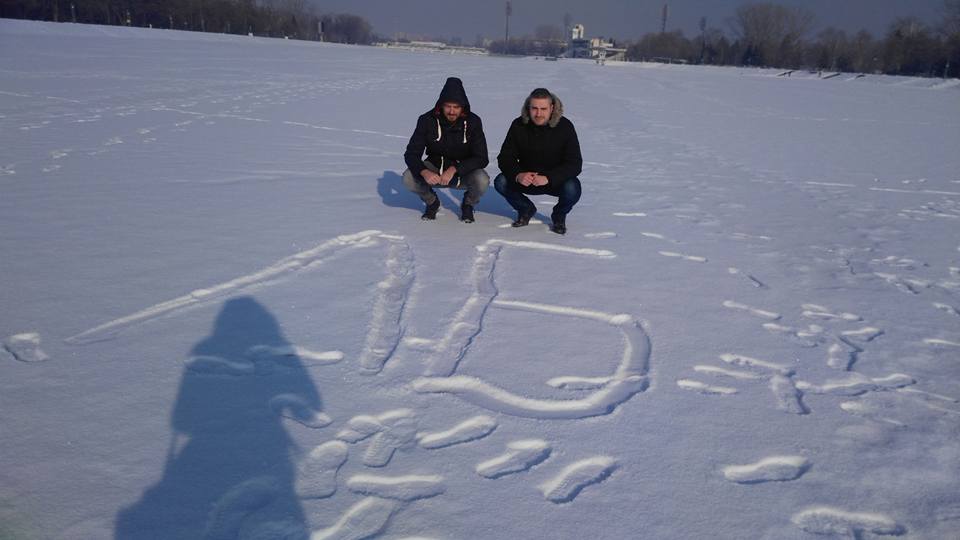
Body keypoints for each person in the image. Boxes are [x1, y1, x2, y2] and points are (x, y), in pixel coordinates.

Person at [495, 87, 582, 234]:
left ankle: (559, 215)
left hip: (553, 181)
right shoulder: (518, 125)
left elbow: (574, 163)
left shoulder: (565, 127)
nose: (538, 113)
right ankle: (525, 209)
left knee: (573, 188)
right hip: (526, 179)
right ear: (528, 107)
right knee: (501, 182)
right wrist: (518, 174)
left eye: (543, 108)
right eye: (534, 108)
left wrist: (549, 178)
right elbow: (505, 157)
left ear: (552, 108)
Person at [403, 77, 489, 223]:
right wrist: (424, 171)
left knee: (482, 179)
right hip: (435, 169)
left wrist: (455, 169)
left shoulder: (473, 122)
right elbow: (411, 154)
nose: (451, 111)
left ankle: (468, 204)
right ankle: (432, 202)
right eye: (448, 106)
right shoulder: (426, 120)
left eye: (456, 107)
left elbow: (482, 158)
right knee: (408, 178)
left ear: (463, 107)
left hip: (462, 172)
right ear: (441, 106)